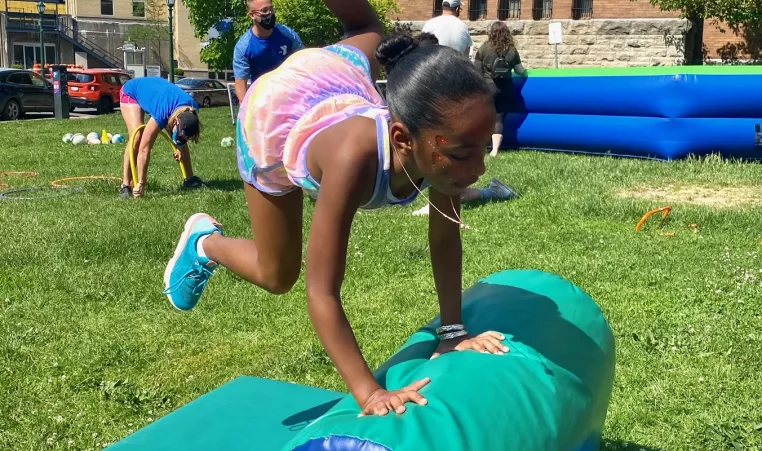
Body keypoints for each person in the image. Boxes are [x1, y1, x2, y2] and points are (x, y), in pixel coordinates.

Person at [163, 0, 509, 418]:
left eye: (481, 146)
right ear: (402, 140)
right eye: (464, 153)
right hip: (276, 114)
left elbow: (444, 235)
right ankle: (206, 242)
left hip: (334, 77)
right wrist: (369, 392)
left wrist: (452, 333)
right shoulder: (355, 161)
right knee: (278, 275)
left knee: (365, 26)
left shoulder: (442, 150)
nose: (479, 167)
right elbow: (322, 291)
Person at [119, 76, 203, 199]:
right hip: (132, 92)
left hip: (158, 94)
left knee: (180, 139)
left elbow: (182, 134)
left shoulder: (192, 109)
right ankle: (125, 185)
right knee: (137, 137)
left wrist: (179, 145)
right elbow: (144, 149)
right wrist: (141, 183)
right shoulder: (162, 112)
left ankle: (190, 179)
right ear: (175, 121)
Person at [233, 0, 304, 103]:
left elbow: (304, 62)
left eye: (271, 9)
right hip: (263, 102)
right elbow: (240, 83)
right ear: (252, 15)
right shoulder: (244, 47)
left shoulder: (287, 34)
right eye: (264, 10)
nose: (270, 13)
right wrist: (246, 112)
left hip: (292, 97)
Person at [474, 21, 527, 157]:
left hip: (488, 87)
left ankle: (480, 146)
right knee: (499, 118)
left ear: (491, 33)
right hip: (506, 88)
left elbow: (477, 71)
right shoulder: (511, 50)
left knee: (484, 117)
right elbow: (520, 70)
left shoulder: (484, 48)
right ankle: (495, 150)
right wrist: (527, 74)